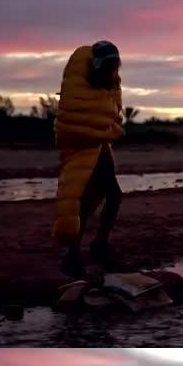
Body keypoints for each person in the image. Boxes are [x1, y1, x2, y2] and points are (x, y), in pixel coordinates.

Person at [53, 41, 125, 278]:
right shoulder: (80, 88)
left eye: (115, 67)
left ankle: (93, 248)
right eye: (109, 67)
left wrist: (108, 129)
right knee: (87, 203)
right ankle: (80, 254)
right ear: (97, 66)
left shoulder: (107, 83)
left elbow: (111, 113)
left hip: (100, 149)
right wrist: (107, 130)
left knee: (100, 199)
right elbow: (74, 121)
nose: (113, 72)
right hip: (83, 150)